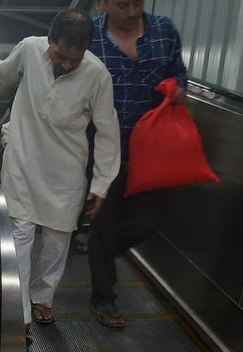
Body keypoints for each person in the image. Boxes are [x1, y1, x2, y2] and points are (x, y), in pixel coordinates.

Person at [0, 9, 120, 326]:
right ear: (50, 41)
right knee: (19, 237)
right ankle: (21, 315)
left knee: (57, 245)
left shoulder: (97, 75)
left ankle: (42, 298)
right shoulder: (30, 49)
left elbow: (108, 132)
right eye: (61, 56)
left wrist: (101, 185)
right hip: (22, 162)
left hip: (66, 172)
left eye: (75, 58)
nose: (67, 64)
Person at [86, 0, 188, 329]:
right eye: (123, 5)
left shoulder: (164, 31)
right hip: (103, 148)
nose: (132, 12)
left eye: (138, 3)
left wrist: (178, 89)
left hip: (152, 148)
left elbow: (180, 73)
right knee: (104, 220)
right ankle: (104, 297)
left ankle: (99, 252)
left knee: (154, 216)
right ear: (103, 4)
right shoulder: (91, 39)